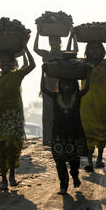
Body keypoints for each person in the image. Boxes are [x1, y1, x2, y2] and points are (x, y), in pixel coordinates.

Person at [0, 40, 36, 190]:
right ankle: (4, 177)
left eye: (7, 61)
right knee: (1, 146)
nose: (4, 63)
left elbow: (33, 65)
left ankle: (12, 175)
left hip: (14, 114)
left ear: (12, 64)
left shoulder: (17, 76)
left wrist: (25, 47)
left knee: (12, 144)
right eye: (1, 61)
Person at [40, 64, 92, 195]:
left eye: (70, 82)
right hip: (58, 133)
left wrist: (88, 74)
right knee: (59, 161)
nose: (66, 84)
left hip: (74, 133)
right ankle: (63, 186)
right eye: (64, 82)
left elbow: (87, 88)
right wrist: (42, 73)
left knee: (74, 160)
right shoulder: (55, 96)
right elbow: (43, 88)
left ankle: (74, 176)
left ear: (75, 84)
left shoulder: (78, 96)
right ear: (60, 84)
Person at [80, 37, 106, 172]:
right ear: (87, 51)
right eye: (92, 48)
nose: (95, 51)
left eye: (98, 48)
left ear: (102, 51)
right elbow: (71, 54)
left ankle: (99, 158)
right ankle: (89, 162)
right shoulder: (82, 64)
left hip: (103, 103)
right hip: (86, 103)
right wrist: (72, 37)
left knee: (101, 133)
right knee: (88, 132)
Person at [34, 31, 78, 147]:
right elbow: (35, 48)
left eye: (55, 40)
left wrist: (73, 37)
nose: (52, 42)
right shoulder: (46, 54)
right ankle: (48, 139)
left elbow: (74, 51)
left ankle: (61, 137)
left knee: (61, 111)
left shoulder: (64, 54)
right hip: (48, 84)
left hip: (61, 85)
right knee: (48, 113)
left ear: (59, 41)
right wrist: (38, 33)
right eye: (51, 40)